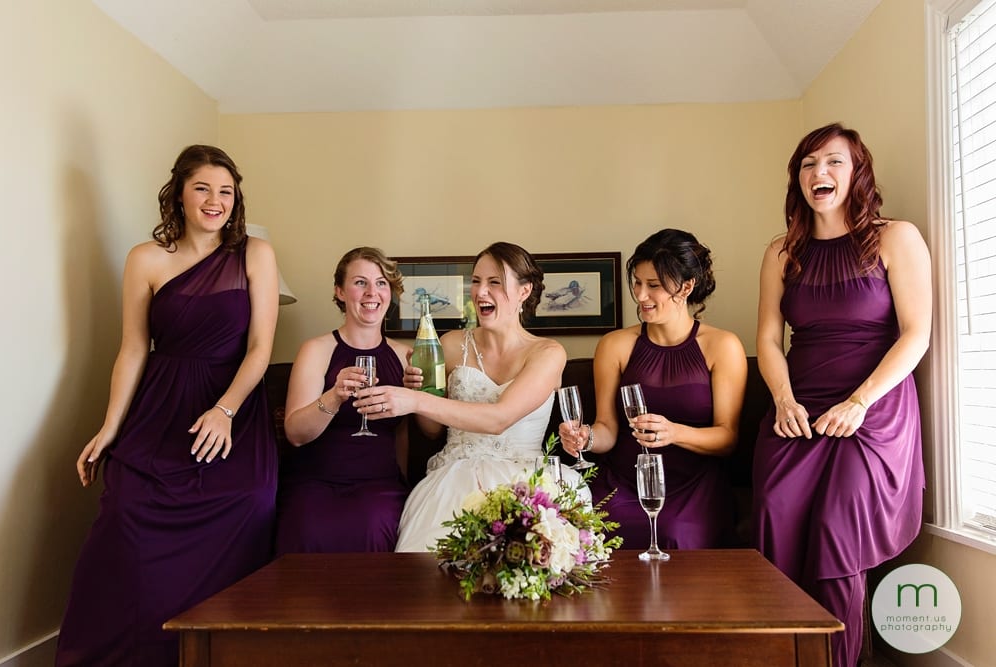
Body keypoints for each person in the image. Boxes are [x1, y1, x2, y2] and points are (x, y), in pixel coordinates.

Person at [56, 145, 280, 667]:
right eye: (203, 187)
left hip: (233, 406)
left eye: (226, 191)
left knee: (252, 501)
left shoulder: (255, 254)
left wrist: (225, 411)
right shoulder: (146, 259)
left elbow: (261, 348)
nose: (215, 200)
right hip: (160, 408)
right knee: (124, 514)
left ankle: (222, 651)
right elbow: (134, 347)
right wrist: (109, 427)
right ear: (179, 192)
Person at [752, 123, 930, 667]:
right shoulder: (781, 252)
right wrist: (782, 400)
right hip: (799, 407)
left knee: (836, 529)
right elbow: (767, 338)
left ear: (857, 174)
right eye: (807, 164)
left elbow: (916, 333)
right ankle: (782, 654)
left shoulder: (896, 237)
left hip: (873, 410)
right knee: (773, 509)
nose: (818, 173)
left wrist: (860, 402)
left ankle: (839, 661)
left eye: (833, 162)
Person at [357, 241, 586, 553]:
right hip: (455, 476)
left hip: (526, 478)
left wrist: (414, 401)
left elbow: (500, 419)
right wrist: (418, 390)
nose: (480, 293)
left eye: (494, 282)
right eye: (476, 282)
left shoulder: (547, 353)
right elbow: (432, 430)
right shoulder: (450, 344)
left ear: (524, 291)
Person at [559, 229, 746, 550]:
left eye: (654, 286)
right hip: (624, 482)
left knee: (676, 532)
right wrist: (585, 437)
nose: (641, 295)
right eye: (637, 283)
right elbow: (607, 430)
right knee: (600, 532)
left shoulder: (722, 346)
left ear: (687, 286)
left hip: (692, 487)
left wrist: (674, 433)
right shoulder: (615, 345)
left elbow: (727, 437)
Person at [274, 247, 411, 554]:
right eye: (360, 282)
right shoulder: (316, 350)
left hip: (380, 485)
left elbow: (404, 433)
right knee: (306, 526)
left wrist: (403, 483)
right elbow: (295, 435)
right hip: (315, 482)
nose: (371, 292)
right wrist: (334, 396)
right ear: (339, 291)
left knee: (375, 525)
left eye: (381, 283)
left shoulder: (405, 357)